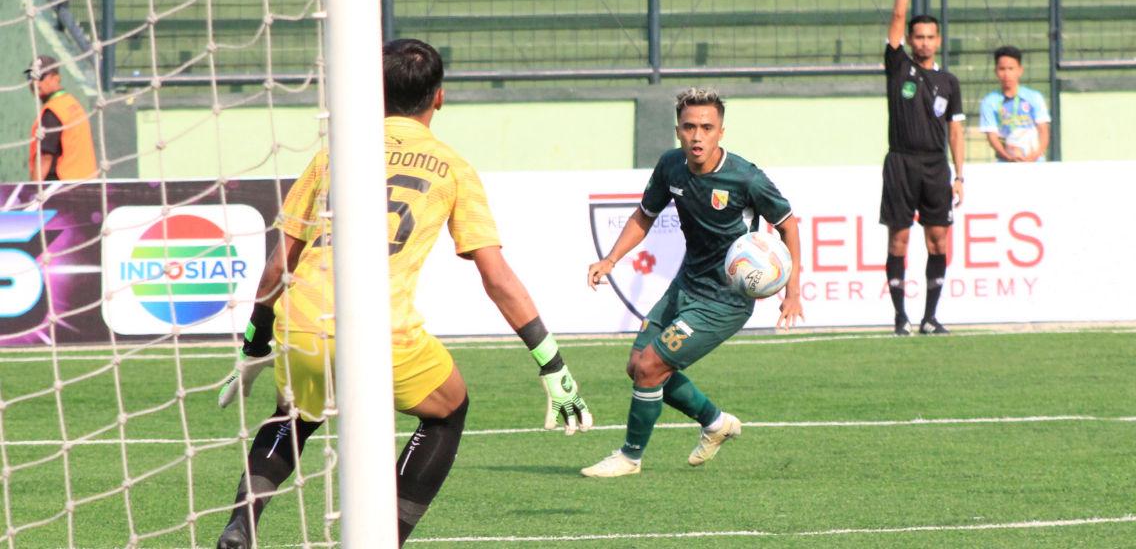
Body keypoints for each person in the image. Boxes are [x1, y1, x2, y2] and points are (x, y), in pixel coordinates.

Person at [214, 39, 593, 548]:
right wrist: (553, 366)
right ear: (439, 97)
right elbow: (496, 277)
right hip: (379, 327)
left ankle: (243, 522)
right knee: (449, 408)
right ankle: (386, 539)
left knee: (294, 412)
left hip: (302, 318)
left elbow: (279, 266)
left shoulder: (332, 156)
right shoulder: (453, 167)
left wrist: (254, 345)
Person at [580, 88, 803, 478]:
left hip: (725, 300)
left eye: (706, 127)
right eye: (689, 128)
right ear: (677, 131)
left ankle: (630, 457)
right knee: (637, 366)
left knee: (651, 367)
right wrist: (611, 259)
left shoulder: (745, 177)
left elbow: (788, 225)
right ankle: (715, 424)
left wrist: (792, 291)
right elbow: (644, 215)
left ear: (721, 132)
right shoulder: (671, 167)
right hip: (687, 284)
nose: (697, 136)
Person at [881, 0, 966, 337]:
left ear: (938, 41)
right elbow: (898, 13)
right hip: (900, 162)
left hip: (936, 167)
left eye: (931, 37)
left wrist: (960, 174)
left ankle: (930, 317)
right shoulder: (899, 67)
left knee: (937, 240)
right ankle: (900, 317)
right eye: (919, 36)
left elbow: (956, 128)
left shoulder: (948, 81)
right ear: (911, 40)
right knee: (898, 240)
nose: (924, 42)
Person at [26, 55, 97, 181]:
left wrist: (33, 193)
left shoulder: (53, 112)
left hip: (61, 188)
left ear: (56, 78)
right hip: (85, 183)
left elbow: (44, 158)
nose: (35, 83)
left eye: (40, 77)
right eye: (31, 77)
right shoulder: (73, 104)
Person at [979, 45, 1051, 162]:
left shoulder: (1034, 97)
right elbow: (992, 136)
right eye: (1002, 69)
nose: (1007, 74)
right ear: (996, 71)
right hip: (1006, 163)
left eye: (1011, 68)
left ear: (1020, 70)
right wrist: (1008, 157)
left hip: (1034, 162)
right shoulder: (989, 102)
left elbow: (1043, 131)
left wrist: (1034, 156)